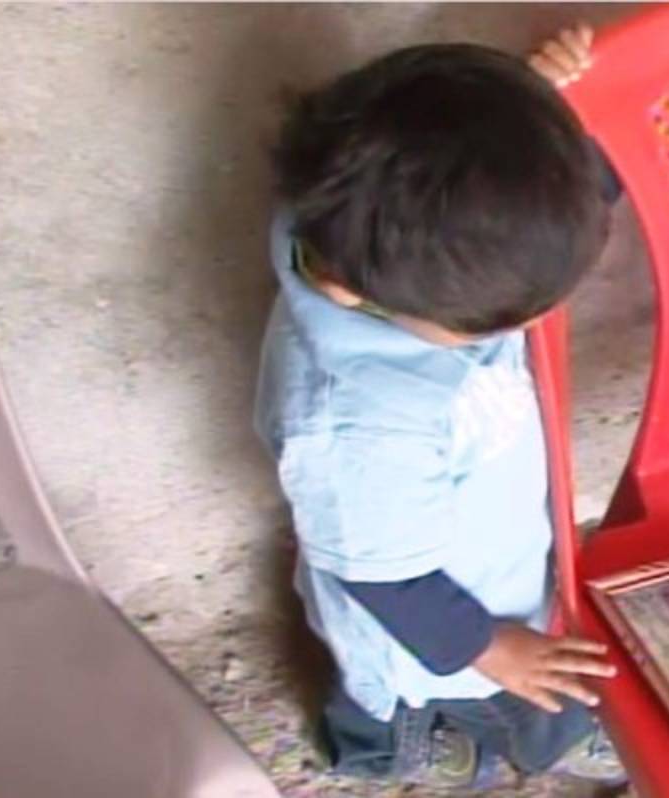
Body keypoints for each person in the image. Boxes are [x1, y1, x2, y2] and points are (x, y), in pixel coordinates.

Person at [254, 25, 626, 788]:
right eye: (493, 323)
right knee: (457, 696)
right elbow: (389, 583)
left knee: (528, 667)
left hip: (490, 551)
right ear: (349, 294)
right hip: (429, 619)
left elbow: (466, 171)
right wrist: (490, 647)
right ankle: (388, 749)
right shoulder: (357, 424)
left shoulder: (375, 234)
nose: (527, 327)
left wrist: (534, 113)